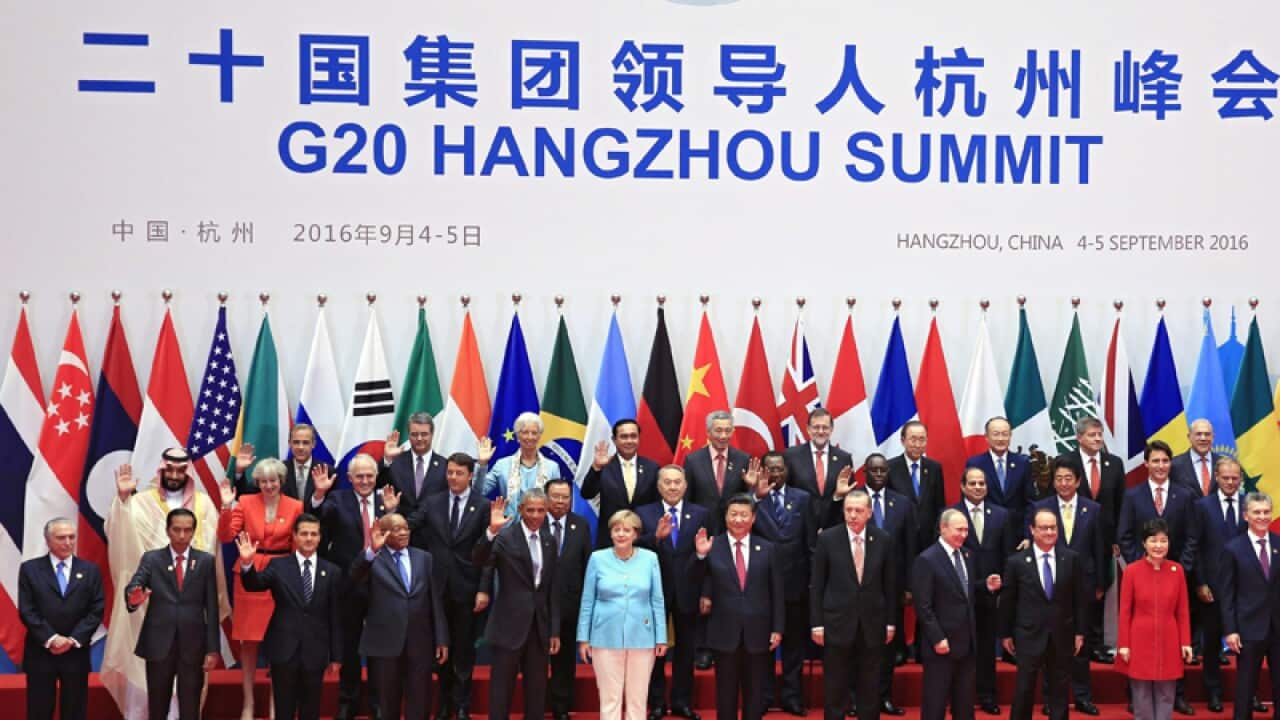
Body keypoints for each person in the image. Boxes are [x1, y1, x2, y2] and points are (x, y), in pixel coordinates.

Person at [104, 448, 229, 720]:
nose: (174, 475)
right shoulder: (141, 502)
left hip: (191, 629)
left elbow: (214, 546)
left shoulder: (203, 505)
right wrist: (123, 500)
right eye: (169, 469)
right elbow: (122, 537)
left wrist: (212, 647)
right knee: (154, 696)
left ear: (188, 472)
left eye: (180, 470)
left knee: (189, 699)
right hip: (151, 611)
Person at [307, 454, 395, 720]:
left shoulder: (388, 500)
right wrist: (318, 495)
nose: (365, 481)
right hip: (348, 583)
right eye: (359, 476)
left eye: (369, 476)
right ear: (349, 478)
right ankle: (348, 701)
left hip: (383, 584)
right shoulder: (337, 500)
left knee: (380, 647)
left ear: (376, 476)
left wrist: (392, 513)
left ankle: (380, 703)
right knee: (350, 646)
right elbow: (316, 520)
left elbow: (400, 538)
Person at [217, 457, 304, 720]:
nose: (269, 486)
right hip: (249, 574)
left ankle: (279, 705)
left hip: (281, 575)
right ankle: (248, 703)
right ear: (257, 483)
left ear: (281, 481)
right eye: (263, 481)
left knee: (281, 642)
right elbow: (225, 536)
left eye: (273, 481)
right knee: (249, 641)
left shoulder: (295, 506)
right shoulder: (244, 502)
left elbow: (297, 546)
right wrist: (226, 506)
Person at [1116, 440, 1196, 716]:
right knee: (1141, 675)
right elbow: (1124, 534)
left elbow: (1192, 536)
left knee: (1170, 662)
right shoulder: (1132, 495)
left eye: (1165, 461)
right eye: (1156, 461)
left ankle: (1177, 698)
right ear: (1146, 464)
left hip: (1174, 576)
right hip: (1142, 574)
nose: (1161, 466)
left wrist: (1178, 566)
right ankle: (1138, 703)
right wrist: (1142, 564)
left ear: (1170, 463)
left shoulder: (1184, 495)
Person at [237, 514, 342, 720]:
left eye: (314, 534)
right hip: (284, 649)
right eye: (304, 534)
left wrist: (336, 656)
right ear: (294, 536)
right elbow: (254, 584)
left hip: (315, 651)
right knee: (283, 710)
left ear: (320, 537)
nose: (309, 538)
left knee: (310, 710)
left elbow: (335, 617)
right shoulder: (279, 566)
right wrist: (247, 564)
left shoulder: (332, 572)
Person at [692, 495, 784, 720]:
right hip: (724, 630)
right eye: (733, 514)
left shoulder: (768, 548)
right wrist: (701, 556)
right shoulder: (712, 545)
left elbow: (777, 592)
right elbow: (694, 583)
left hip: (759, 631)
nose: (738, 519)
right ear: (725, 517)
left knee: (755, 694)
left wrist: (778, 628)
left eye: (744, 515)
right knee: (726, 694)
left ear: (753, 518)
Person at [124, 508, 221, 720]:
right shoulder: (152, 559)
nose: (182, 535)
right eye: (177, 530)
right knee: (158, 707)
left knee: (190, 708)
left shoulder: (205, 561)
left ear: (193, 531)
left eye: (187, 530)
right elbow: (136, 583)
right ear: (168, 531)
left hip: (193, 645)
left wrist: (213, 649)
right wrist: (134, 596)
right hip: (159, 644)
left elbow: (212, 607)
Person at [350, 513, 449, 720]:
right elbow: (354, 578)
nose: (404, 533)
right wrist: (371, 551)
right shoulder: (373, 559)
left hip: (419, 641)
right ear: (384, 533)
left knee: (420, 700)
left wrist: (441, 639)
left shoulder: (424, 558)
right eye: (397, 529)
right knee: (388, 702)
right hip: (385, 642)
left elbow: (434, 600)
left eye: (406, 528)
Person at [474, 490, 561, 720]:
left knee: (537, 692)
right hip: (508, 626)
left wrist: (554, 630)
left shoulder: (549, 540)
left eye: (541, 510)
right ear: (521, 510)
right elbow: (479, 559)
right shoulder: (505, 536)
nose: (536, 515)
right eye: (530, 510)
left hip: (539, 628)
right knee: (501, 691)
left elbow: (551, 588)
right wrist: (491, 532)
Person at [416, 453, 491, 720]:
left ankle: (461, 706)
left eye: (459, 473)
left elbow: (488, 552)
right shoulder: (432, 502)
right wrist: (391, 512)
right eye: (450, 472)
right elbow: (410, 526)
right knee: (440, 648)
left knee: (463, 650)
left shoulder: (482, 506)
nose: (453, 477)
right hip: (436, 589)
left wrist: (484, 588)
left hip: (467, 589)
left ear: (470, 475)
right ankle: (443, 705)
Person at [810, 491, 897, 720]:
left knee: (870, 685)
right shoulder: (827, 539)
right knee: (835, 686)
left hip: (872, 623)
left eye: (858, 510)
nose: (852, 515)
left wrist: (890, 622)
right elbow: (817, 585)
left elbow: (890, 586)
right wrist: (817, 624)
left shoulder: (883, 539)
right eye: (848, 510)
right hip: (836, 623)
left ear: (869, 512)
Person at [1031, 457, 1105, 714]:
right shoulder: (1041, 508)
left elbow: (1099, 548)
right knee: (1050, 643)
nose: (1063, 483)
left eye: (1068, 479)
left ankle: (1083, 697)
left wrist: (1100, 583)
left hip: (1084, 584)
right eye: (1059, 479)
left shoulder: (1093, 509)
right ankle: (1050, 699)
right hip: (1050, 583)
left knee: (1081, 642)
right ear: (1053, 482)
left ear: (1078, 481)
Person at [577, 510, 668, 720]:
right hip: (604, 636)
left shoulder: (650, 559)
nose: (621, 534)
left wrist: (661, 637)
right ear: (610, 533)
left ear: (636, 534)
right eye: (616, 529)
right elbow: (588, 600)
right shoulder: (597, 558)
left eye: (626, 530)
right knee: (610, 697)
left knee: (638, 698)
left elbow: (657, 600)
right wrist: (583, 638)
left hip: (642, 636)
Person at [912, 509, 1002, 720]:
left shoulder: (967, 555)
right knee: (935, 705)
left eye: (966, 530)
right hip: (940, 645)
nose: (963, 535)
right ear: (943, 528)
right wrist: (937, 638)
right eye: (958, 530)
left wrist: (985, 586)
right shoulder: (927, 559)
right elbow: (923, 606)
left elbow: (963, 592)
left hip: (967, 643)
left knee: (964, 705)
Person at [636, 466, 710, 720]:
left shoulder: (701, 514)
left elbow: (709, 555)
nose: (672, 487)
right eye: (667, 482)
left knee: (686, 651)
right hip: (654, 593)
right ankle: (656, 703)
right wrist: (655, 538)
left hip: (689, 591)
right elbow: (633, 548)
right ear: (659, 487)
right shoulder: (644, 513)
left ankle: (682, 702)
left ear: (685, 485)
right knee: (654, 651)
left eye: (677, 482)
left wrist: (707, 591)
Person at [999, 509, 1087, 720]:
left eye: (1053, 527)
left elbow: (1080, 599)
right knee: (1024, 688)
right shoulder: (1017, 562)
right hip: (1028, 634)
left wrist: (1080, 632)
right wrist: (1005, 633)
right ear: (1032, 530)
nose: (1049, 532)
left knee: (1059, 689)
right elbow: (1008, 601)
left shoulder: (1071, 558)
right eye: (1043, 528)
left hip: (1061, 632)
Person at [748, 452, 814, 716]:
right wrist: (755, 496)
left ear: (787, 470)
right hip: (761, 585)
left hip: (795, 583)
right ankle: (763, 696)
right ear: (762, 471)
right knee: (763, 644)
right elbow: (734, 521)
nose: (775, 473)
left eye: (779, 468)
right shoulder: (753, 498)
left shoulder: (803, 498)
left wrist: (812, 582)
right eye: (770, 469)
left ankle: (792, 696)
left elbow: (810, 543)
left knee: (794, 646)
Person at [18, 518, 105, 720]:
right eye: (61, 537)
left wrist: (73, 639)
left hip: (76, 654)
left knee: (74, 711)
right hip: (41, 653)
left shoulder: (90, 570)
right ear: (48, 540)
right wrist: (51, 638)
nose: (67, 542)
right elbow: (27, 610)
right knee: (39, 711)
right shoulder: (30, 569)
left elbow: (96, 610)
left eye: (71, 537)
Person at [1186, 457, 1248, 712]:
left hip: (1244, 588)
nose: (1230, 482)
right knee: (1211, 644)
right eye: (1225, 477)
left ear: (1241, 479)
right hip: (1211, 587)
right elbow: (1195, 546)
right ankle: (1213, 693)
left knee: (1247, 644)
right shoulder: (1202, 506)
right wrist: (1200, 582)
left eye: (1235, 478)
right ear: (1216, 478)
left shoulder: (1250, 505)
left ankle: (1250, 693)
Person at [951, 467, 1015, 714]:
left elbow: (1008, 554)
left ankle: (988, 696)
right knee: (959, 649)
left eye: (981, 483)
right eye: (973, 483)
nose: (978, 487)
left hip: (991, 593)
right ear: (963, 486)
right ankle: (959, 697)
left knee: (987, 648)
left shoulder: (1001, 515)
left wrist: (1003, 585)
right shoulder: (950, 515)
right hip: (959, 593)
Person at [1117, 519, 1192, 720]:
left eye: (1163, 540)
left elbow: (1182, 611)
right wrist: (1124, 644)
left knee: (1167, 694)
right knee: (1141, 696)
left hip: (1169, 639)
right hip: (1139, 639)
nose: (1159, 546)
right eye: (1153, 540)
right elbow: (1125, 611)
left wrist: (1185, 642)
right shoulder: (1132, 571)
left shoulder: (1177, 570)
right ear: (1144, 543)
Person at [1069, 417, 1124, 665]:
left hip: (1103, 541)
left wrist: (1117, 538)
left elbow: (1120, 504)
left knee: (1099, 590)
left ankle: (1097, 644)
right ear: (1079, 437)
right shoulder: (1066, 462)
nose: (1098, 439)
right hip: (1074, 537)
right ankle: (1072, 642)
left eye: (1100, 434)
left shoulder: (1114, 463)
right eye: (1092, 435)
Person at [862, 453, 915, 716]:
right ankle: (857, 699)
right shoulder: (853, 501)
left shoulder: (902, 503)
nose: (879, 475)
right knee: (858, 645)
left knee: (887, 646)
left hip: (892, 586)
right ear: (865, 473)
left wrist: (909, 585)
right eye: (874, 470)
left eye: (883, 470)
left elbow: (910, 546)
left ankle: (883, 697)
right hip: (859, 586)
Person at [1220, 492, 1280, 720]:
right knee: (1245, 689)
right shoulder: (1233, 548)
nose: (1262, 517)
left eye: (1266, 512)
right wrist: (1230, 630)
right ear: (1246, 515)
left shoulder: (1279, 543)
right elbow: (1227, 594)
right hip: (1247, 629)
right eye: (1257, 512)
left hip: (1277, 627)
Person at [547, 478, 594, 720]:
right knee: (535, 659)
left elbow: (587, 565)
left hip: (570, 603)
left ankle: (561, 707)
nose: (560, 501)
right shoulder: (534, 522)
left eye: (565, 497)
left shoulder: (580, 525)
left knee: (565, 659)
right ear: (546, 498)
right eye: (555, 496)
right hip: (538, 604)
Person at [581, 419, 661, 549]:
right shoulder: (604, 467)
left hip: (644, 539)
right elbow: (587, 493)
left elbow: (657, 504)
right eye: (624, 437)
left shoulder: (652, 467)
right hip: (611, 539)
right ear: (614, 440)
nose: (629, 441)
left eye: (633, 436)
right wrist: (596, 468)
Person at [379, 412, 449, 548]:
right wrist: (387, 460)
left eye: (424, 434)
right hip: (398, 539)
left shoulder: (445, 465)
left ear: (432, 434)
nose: (419, 438)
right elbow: (377, 485)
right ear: (409, 435)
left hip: (433, 541)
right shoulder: (396, 462)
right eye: (414, 434)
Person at [478, 412, 561, 517]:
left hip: (541, 524)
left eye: (534, 433)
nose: (530, 437)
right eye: (525, 432)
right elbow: (479, 491)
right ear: (518, 436)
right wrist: (482, 463)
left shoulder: (552, 467)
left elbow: (556, 501)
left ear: (539, 436)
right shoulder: (502, 465)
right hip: (510, 524)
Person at [783, 408, 854, 530]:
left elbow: (850, 495)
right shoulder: (791, 456)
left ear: (831, 429)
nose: (821, 432)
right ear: (808, 429)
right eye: (816, 427)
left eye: (825, 427)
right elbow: (785, 492)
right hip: (800, 526)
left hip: (833, 526)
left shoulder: (844, 458)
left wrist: (838, 495)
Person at [685, 410, 751, 536]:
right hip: (702, 528)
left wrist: (751, 486)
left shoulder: (743, 459)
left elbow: (747, 498)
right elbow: (687, 497)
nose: (723, 436)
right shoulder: (693, 460)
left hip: (734, 528)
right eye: (718, 431)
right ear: (708, 432)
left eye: (728, 431)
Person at [965, 416, 1032, 537]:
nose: (1000, 439)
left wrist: (1028, 535)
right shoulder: (975, 464)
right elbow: (968, 501)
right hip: (986, 532)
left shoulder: (1022, 463)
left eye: (1005, 434)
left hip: (1017, 534)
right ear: (986, 437)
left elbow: (1030, 502)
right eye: (996, 434)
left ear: (1010, 436)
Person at [887, 421, 945, 552]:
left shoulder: (934, 468)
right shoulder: (890, 468)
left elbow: (939, 505)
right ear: (903, 441)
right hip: (900, 538)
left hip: (929, 539)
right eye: (913, 440)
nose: (918, 445)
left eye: (922, 440)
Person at [229, 423, 322, 500]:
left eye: (305, 443)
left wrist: (320, 492)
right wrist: (239, 471)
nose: (300, 447)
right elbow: (243, 495)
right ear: (290, 443)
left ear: (313, 444)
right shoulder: (278, 469)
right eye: (296, 442)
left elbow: (328, 508)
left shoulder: (325, 471)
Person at [1171, 419, 1221, 498]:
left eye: (1207, 434)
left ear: (1213, 437)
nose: (1203, 438)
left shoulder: (1223, 463)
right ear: (1189, 437)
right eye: (1198, 434)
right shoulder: (1174, 465)